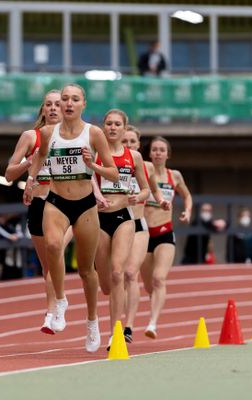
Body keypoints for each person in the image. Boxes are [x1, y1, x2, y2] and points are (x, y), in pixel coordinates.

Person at [24, 83, 119, 352]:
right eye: (64, 99)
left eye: (74, 99)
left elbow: (112, 173)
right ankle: (62, 301)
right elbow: (40, 158)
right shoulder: (46, 132)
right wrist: (31, 180)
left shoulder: (95, 134)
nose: (67, 104)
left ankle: (92, 322)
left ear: (83, 104)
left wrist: (93, 165)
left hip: (85, 205)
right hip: (55, 201)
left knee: (88, 271)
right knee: (53, 246)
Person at [5, 89, 69, 334]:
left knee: (56, 253)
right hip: (39, 205)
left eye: (57, 104)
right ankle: (58, 300)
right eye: (48, 105)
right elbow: (9, 174)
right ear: (42, 109)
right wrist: (27, 164)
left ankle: (52, 311)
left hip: (67, 204)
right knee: (47, 266)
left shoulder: (76, 137)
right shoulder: (30, 137)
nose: (53, 108)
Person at [94, 112, 151, 350]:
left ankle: (115, 332)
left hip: (124, 218)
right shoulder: (95, 153)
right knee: (106, 285)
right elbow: (85, 180)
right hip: (98, 219)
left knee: (119, 273)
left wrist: (137, 196)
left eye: (118, 124)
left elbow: (146, 189)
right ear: (103, 127)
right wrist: (95, 194)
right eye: (109, 124)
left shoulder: (134, 157)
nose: (113, 127)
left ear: (124, 127)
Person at [141, 136, 192, 339]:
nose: (158, 153)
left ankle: (152, 323)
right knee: (148, 285)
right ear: (150, 153)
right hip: (144, 234)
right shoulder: (143, 171)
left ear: (168, 154)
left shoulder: (175, 176)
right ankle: (155, 304)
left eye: (162, 150)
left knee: (159, 278)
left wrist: (187, 211)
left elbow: (187, 195)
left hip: (164, 232)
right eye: (155, 150)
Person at [121, 125, 168, 343]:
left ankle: (128, 327)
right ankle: (117, 318)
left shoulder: (145, 166)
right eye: (125, 141)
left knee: (131, 274)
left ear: (139, 145)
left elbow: (156, 190)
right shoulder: (109, 161)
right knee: (112, 278)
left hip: (138, 225)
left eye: (132, 142)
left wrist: (160, 201)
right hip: (115, 224)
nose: (128, 145)